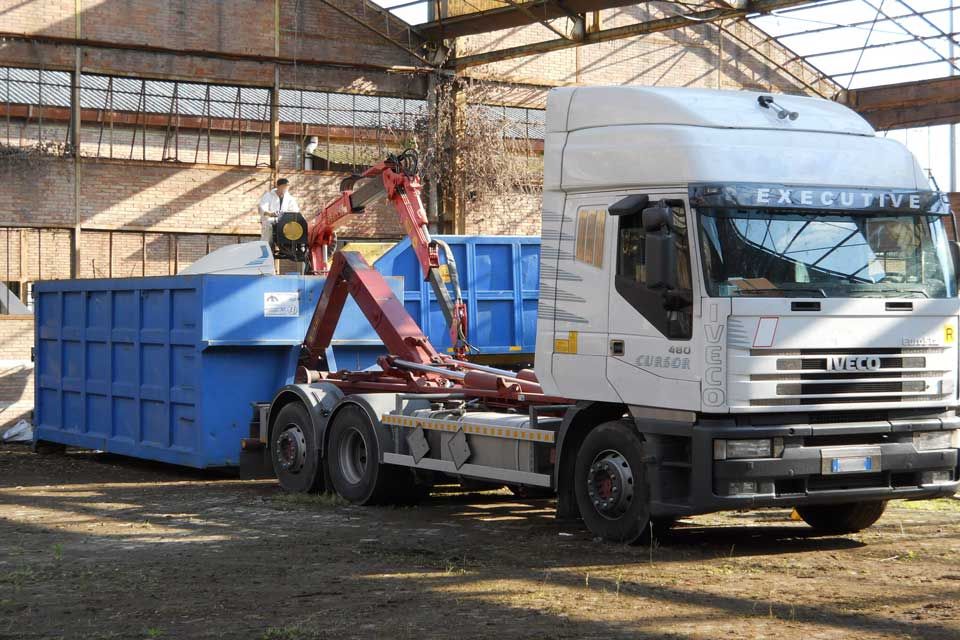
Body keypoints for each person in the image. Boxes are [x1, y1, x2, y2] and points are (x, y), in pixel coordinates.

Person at [258, 178, 300, 244]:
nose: (285, 189)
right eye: (283, 187)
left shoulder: (290, 198)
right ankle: (266, 247)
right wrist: (271, 214)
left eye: (286, 187)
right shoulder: (268, 196)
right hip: (270, 220)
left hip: (285, 221)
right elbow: (262, 208)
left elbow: (295, 210)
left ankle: (288, 248)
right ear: (278, 186)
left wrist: (286, 216)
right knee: (268, 230)